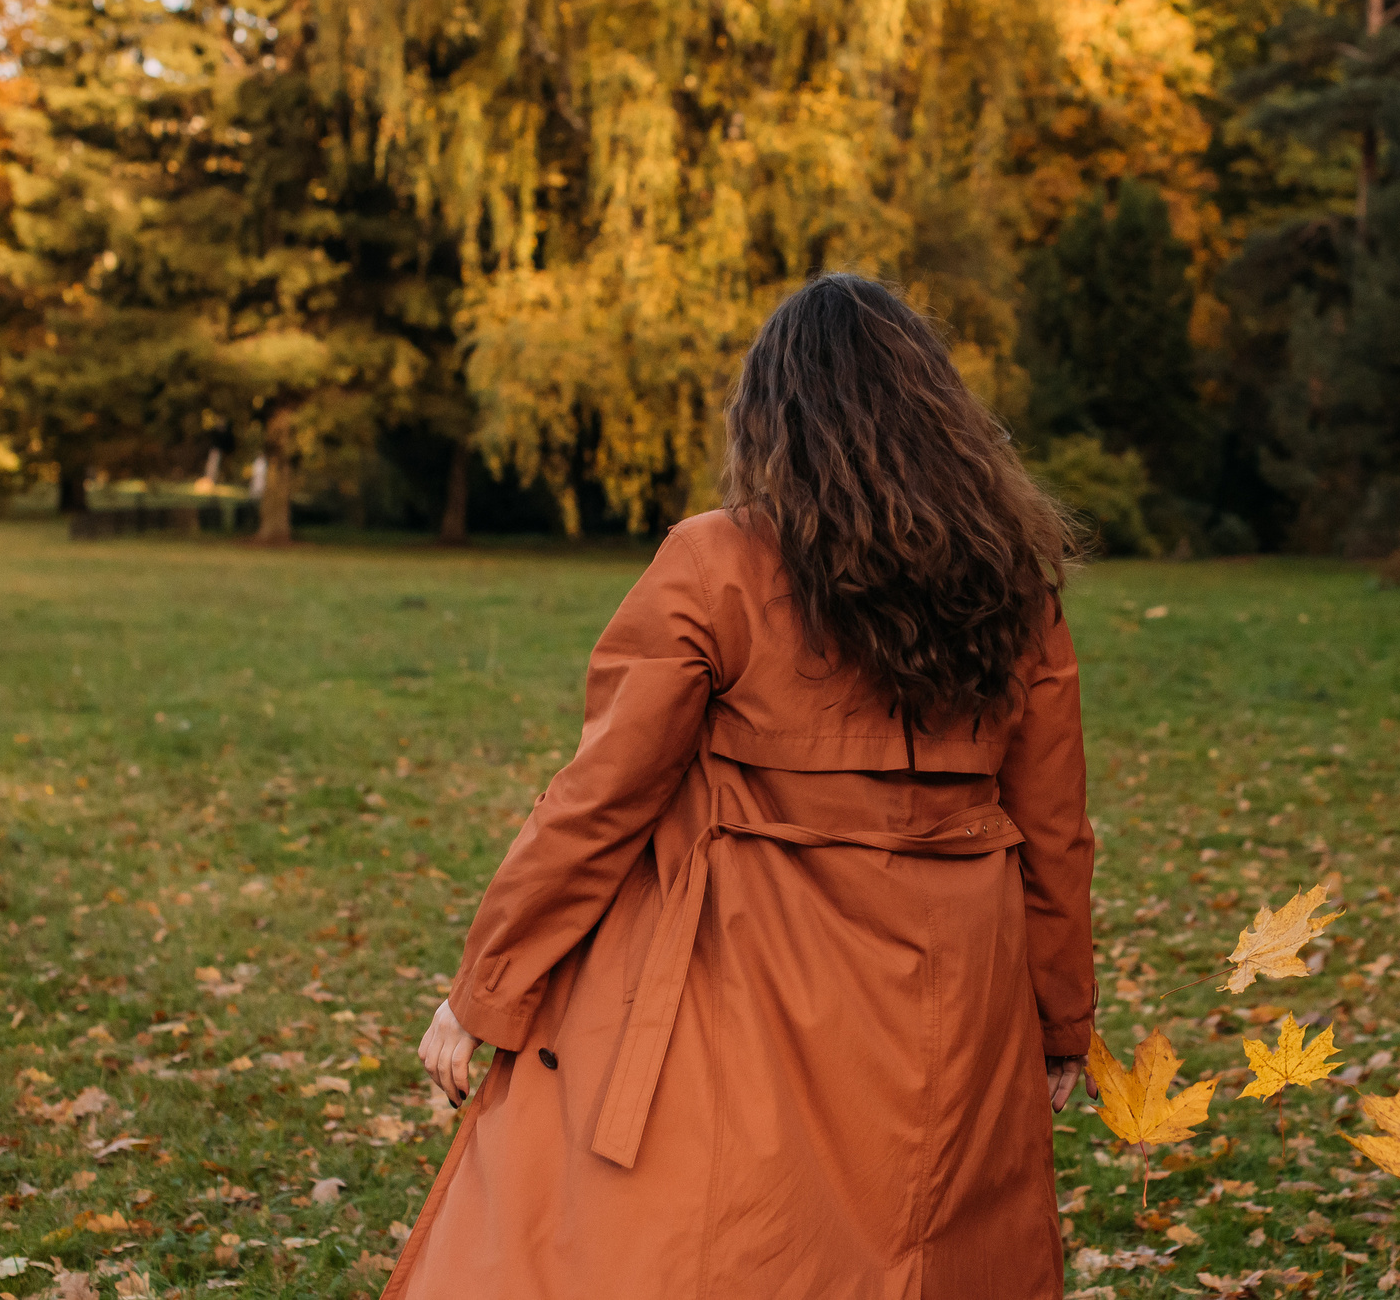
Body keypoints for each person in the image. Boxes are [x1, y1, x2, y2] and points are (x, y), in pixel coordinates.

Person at [392, 274, 1098, 1300]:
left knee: (745, 1240)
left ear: (774, 417)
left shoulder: (715, 562)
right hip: (959, 978)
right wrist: (1060, 1016)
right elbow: (1054, 829)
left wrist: (486, 990)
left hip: (758, 964)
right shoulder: (1014, 584)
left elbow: (600, 800)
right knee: (924, 1246)